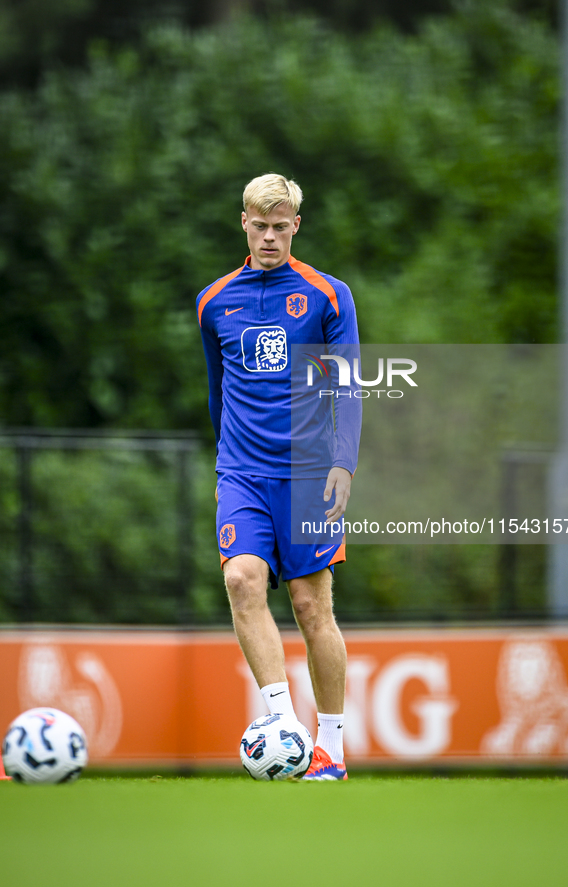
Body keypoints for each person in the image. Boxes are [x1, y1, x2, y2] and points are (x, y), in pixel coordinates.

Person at [197, 173, 360, 780]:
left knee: (309, 605)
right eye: (260, 225)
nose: (270, 236)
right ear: (243, 222)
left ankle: (332, 748)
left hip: (309, 474)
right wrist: (223, 466)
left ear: (297, 225)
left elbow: (347, 388)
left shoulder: (325, 296)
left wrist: (343, 461)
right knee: (242, 580)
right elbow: (218, 392)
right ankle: (281, 725)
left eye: (281, 226)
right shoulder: (215, 302)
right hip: (241, 470)